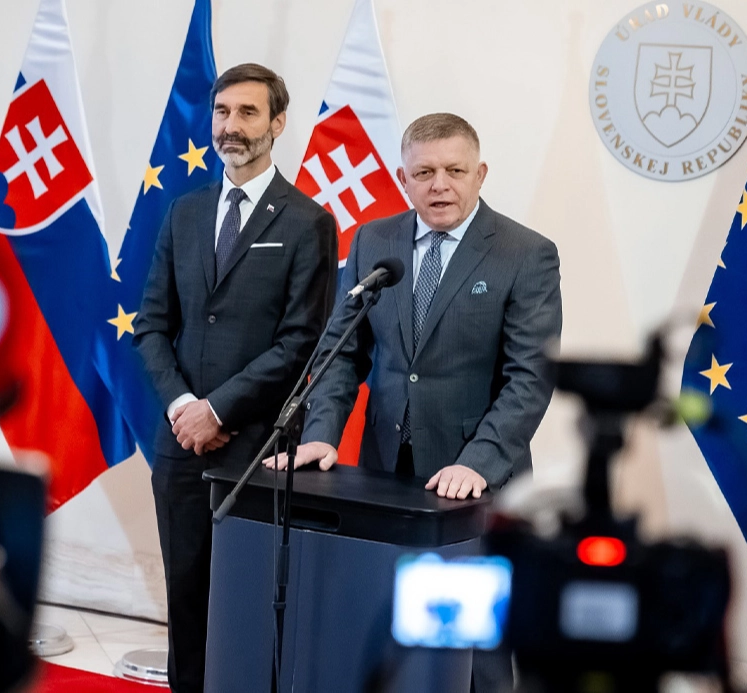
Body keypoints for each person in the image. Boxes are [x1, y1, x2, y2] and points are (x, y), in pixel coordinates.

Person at [266, 112, 561, 691]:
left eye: (455, 171)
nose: (439, 185)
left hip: (475, 483)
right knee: (386, 630)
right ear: (404, 179)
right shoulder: (375, 241)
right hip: (384, 475)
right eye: (424, 172)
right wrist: (322, 433)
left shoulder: (526, 253)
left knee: (475, 649)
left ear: (480, 174)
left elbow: (530, 377)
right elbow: (341, 351)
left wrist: (477, 463)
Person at [133, 63, 337, 693]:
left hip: (258, 450)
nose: (231, 126)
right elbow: (151, 325)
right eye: (222, 112)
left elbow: (300, 342)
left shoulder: (307, 222)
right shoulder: (184, 212)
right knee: (186, 601)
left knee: (247, 608)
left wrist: (218, 411)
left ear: (278, 123)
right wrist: (184, 409)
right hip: (181, 448)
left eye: (248, 112)